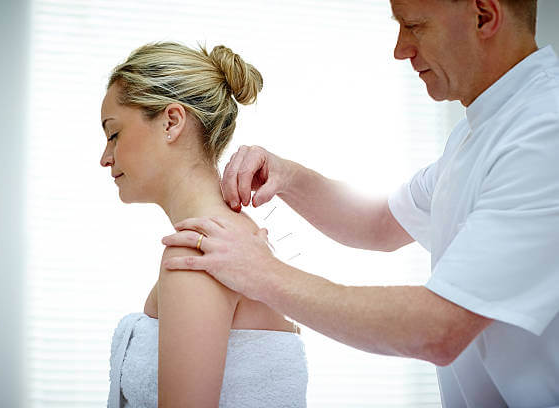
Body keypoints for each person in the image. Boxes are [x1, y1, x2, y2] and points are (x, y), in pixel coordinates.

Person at [161, 0, 559, 406]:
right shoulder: (480, 134)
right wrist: (289, 176)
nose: (400, 49)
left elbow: (438, 329)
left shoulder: (544, 132)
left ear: (484, 16)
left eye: (414, 25)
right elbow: (379, 224)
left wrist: (261, 272)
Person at [101, 42, 308, 407]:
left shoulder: (202, 252)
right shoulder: (228, 238)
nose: (105, 158)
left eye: (113, 134)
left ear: (171, 121)